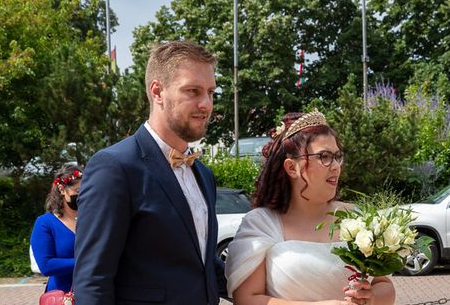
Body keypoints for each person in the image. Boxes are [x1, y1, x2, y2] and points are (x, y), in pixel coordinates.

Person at [73, 41, 227, 304]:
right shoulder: (114, 168)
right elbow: (93, 280)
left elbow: (203, 266)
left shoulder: (204, 174)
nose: (206, 104)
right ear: (158, 92)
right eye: (193, 91)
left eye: (211, 92)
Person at [225, 111, 396, 305]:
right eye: (324, 156)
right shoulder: (261, 223)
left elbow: (384, 285)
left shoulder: (356, 217)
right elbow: (247, 299)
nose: (336, 167)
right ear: (291, 167)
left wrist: (371, 298)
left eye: (337, 156)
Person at [30, 164, 83, 293]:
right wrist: (85, 263)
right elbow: (46, 265)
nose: (82, 195)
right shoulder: (45, 223)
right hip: (62, 295)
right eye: (78, 191)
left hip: (94, 293)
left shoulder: (92, 219)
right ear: (62, 189)